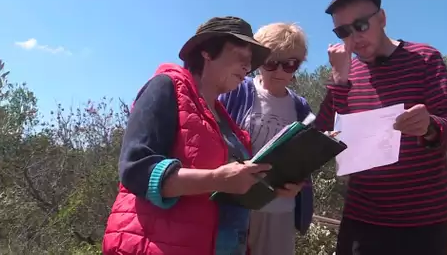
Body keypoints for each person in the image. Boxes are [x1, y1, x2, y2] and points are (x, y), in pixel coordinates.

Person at [102, 16, 304, 255]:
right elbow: (135, 170)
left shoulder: (228, 122)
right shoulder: (166, 86)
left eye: (250, 63)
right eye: (241, 57)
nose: (246, 68)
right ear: (207, 51)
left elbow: (229, 189)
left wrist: (271, 186)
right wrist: (217, 179)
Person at [314, 0, 447, 255]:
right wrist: (339, 81)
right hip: (362, 221)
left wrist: (430, 126)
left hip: (424, 223)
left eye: (361, 25)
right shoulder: (345, 72)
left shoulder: (424, 59)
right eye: (343, 32)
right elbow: (323, 135)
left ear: (382, 18)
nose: (355, 37)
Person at [219, 22, 313, 255]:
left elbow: (306, 159)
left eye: (290, 64)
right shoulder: (237, 93)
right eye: (271, 63)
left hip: (280, 210)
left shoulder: (300, 107)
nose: (280, 72)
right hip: (236, 206)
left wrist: (299, 186)